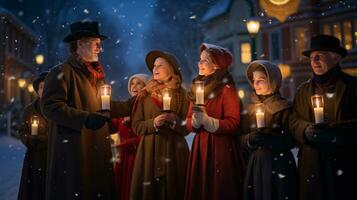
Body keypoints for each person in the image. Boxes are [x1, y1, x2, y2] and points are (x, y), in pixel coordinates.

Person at [41, 21, 117, 199]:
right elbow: (51, 107)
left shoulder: (96, 75)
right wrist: (85, 118)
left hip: (95, 151)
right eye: (96, 43)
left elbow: (105, 106)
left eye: (100, 44)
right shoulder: (61, 72)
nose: (100, 48)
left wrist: (134, 102)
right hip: (73, 152)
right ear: (80, 43)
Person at [290, 34, 357, 200]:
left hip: (344, 164)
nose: (315, 60)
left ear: (335, 58)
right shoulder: (303, 90)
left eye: (321, 55)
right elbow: (293, 120)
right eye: (312, 57)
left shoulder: (352, 86)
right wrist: (305, 130)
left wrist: (334, 132)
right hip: (312, 167)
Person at [185, 43, 245, 200]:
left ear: (217, 66)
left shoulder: (227, 88)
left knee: (218, 189)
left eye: (205, 60)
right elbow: (188, 120)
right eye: (200, 60)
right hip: (200, 146)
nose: (200, 63)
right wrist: (195, 123)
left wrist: (209, 121)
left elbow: (233, 122)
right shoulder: (196, 89)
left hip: (221, 148)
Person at [130, 50, 189, 200]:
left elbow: (187, 126)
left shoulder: (182, 94)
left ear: (171, 69)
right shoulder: (145, 94)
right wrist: (153, 123)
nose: (155, 69)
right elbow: (136, 126)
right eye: (154, 65)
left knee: (173, 190)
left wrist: (174, 121)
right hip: (149, 151)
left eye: (160, 65)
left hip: (174, 150)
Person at [241, 60, 298, 200]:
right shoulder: (250, 109)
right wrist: (250, 139)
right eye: (254, 80)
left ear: (272, 81)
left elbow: (291, 139)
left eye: (261, 80)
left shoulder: (284, 107)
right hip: (257, 163)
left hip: (279, 164)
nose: (256, 84)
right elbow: (241, 137)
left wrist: (270, 140)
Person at [112, 73, 149, 200]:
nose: (134, 86)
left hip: (138, 158)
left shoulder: (148, 108)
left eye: (139, 83)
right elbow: (111, 126)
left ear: (145, 86)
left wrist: (129, 143)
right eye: (132, 83)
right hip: (122, 158)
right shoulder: (124, 107)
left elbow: (149, 135)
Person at [18, 72, 49, 200]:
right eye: (41, 87)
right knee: (35, 191)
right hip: (34, 157)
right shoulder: (30, 110)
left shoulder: (59, 109)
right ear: (37, 90)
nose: (43, 90)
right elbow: (22, 131)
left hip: (53, 156)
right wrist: (29, 139)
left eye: (46, 87)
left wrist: (45, 139)